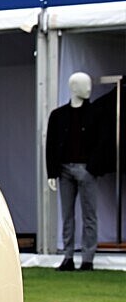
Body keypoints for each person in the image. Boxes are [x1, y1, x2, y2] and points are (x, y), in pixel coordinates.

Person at [45, 71, 111, 271]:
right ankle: (68, 257)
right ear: (73, 87)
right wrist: (52, 172)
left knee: (89, 214)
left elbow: (103, 141)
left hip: (86, 169)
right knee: (67, 215)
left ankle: (88, 258)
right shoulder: (58, 115)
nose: (88, 88)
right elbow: (51, 145)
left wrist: (92, 167)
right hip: (65, 169)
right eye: (84, 84)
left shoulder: (96, 113)